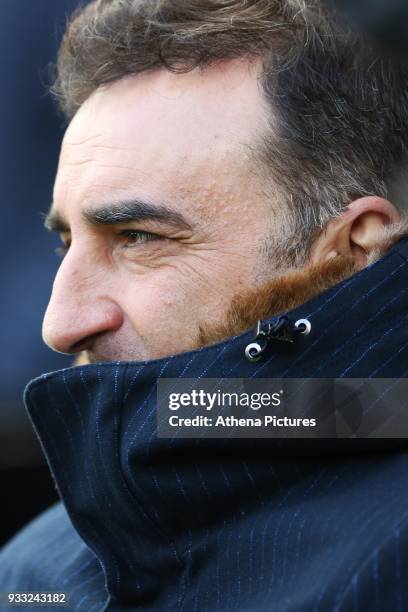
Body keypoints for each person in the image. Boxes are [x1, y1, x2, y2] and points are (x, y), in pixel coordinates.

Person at [0, 0, 407, 610]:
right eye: (66, 245)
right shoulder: (35, 572)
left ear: (350, 247)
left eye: (138, 237)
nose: (60, 325)